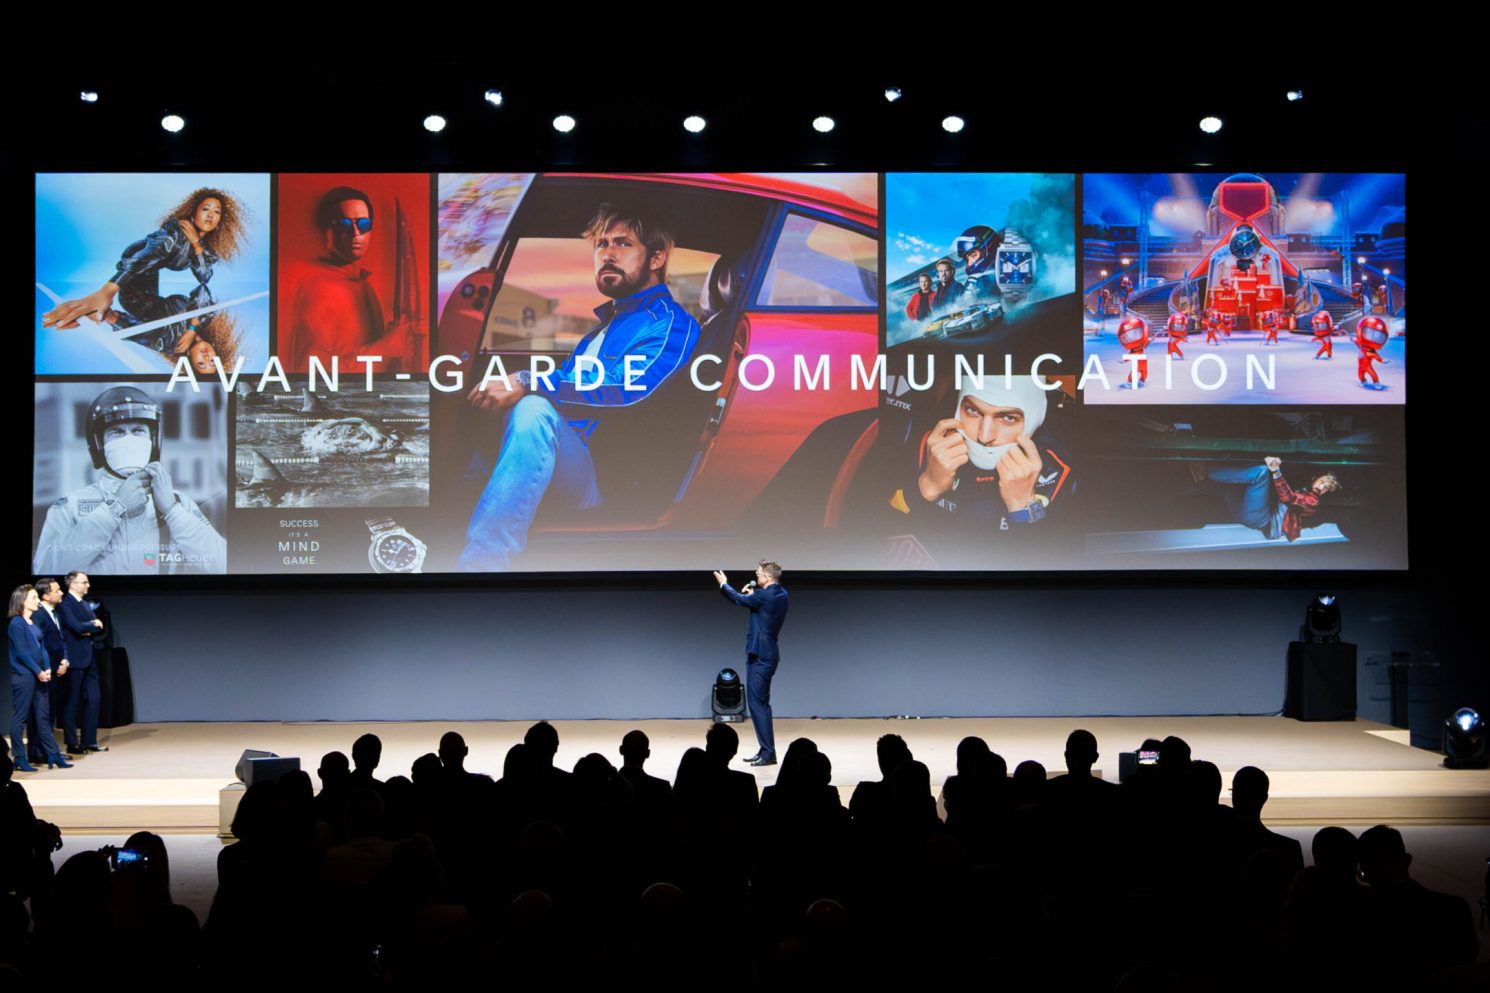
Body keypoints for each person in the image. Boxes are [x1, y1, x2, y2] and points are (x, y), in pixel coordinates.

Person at [459, 204, 702, 571]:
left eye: (623, 244)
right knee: (492, 408)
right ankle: (452, 512)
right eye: (601, 244)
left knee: (533, 408)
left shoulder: (668, 324)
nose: (607, 253)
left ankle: (482, 564)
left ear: (656, 258)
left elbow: (628, 384)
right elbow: (576, 386)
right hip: (572, 457)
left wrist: (527, 381)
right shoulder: (602, 330)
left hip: (605, 476)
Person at [40, 187, 246, 374]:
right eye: (207, 209)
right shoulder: (175, 232)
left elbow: (204, 278)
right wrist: (108, 290)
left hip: (137, 297)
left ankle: (97, 311)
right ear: (193, 212)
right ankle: (104, 299)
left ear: (189, 361)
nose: (207, 358)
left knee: (164, 252)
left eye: (202, 364)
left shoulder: (170, 343)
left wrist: (109, 317)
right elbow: (157, 253)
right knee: (166, 243)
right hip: (138, 260)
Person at [33, 386, 227, 576]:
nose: (129, 439)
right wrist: (115, 509)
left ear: (153, 441)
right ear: (99, 445)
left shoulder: (180, 503)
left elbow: (223, 564)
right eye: (117, 431)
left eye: (138, 430)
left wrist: (172, 511)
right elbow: (46, 573)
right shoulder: (70, 508)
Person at [902, 375, 1073, 531]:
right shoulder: (934, 446)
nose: (984, 436)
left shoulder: (1055, 469)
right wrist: (927, 485)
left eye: (1008, 418)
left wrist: (1022, 507)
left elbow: (1053, 558)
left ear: (1035, 417)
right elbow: (889, 531)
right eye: (973, 411)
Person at [282, 185, 420, 373]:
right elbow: (311, 373)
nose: (357, 234)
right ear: (329, 231)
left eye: (363, 224)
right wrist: (385, 348)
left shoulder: (361, 284)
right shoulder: (320, 288)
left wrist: (394, 342)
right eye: (345, 225)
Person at [712, 561, 789, 766]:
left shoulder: (765, 595)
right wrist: (752, 594)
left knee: (758, 705)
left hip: (761, 656)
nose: (756, 575)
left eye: (759, 573)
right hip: (765, 654)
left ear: (767, 577)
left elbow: (738, 599)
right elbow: (757, 604)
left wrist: (724, 584)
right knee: (759, 704)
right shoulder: (781, 594)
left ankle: (768, 753)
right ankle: (765, 750)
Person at [8, 586, 70, 771]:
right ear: (22, 601)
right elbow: (22, 653)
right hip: (24, 676)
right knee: (20, 718)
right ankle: (19, 757)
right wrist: (38, 671)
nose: (37, 601)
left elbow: (41, 648)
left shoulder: (32, 623)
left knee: (43, 717)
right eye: (34, 598)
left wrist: (47, 667)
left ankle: (53, 754)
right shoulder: (16, 623)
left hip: (40, 675)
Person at [1206, 457, 1339, 543]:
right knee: (1220, 483)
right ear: (1315, 479)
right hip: (1248, 516)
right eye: (1323, 482)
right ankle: (1200, 476)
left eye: (1328, 488)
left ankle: (1205, 471)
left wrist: (1275, 471)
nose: (1323, 488)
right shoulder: (1305, 490)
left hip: (1260, 519)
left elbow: (1289, 498)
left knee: (1261, 472)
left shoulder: (1313, 502)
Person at [27, 579, 69, 766]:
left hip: (56, 669)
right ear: (46, 595)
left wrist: (65, 660)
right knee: (40, 712)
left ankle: (46, 748)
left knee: (50, 710)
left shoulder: (55, 613)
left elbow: (61, 641)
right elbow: (38, 644)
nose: (61, 593)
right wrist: (47, 666)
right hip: (44, 670)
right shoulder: (38, 615)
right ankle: (37, 751)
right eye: (57, 590)